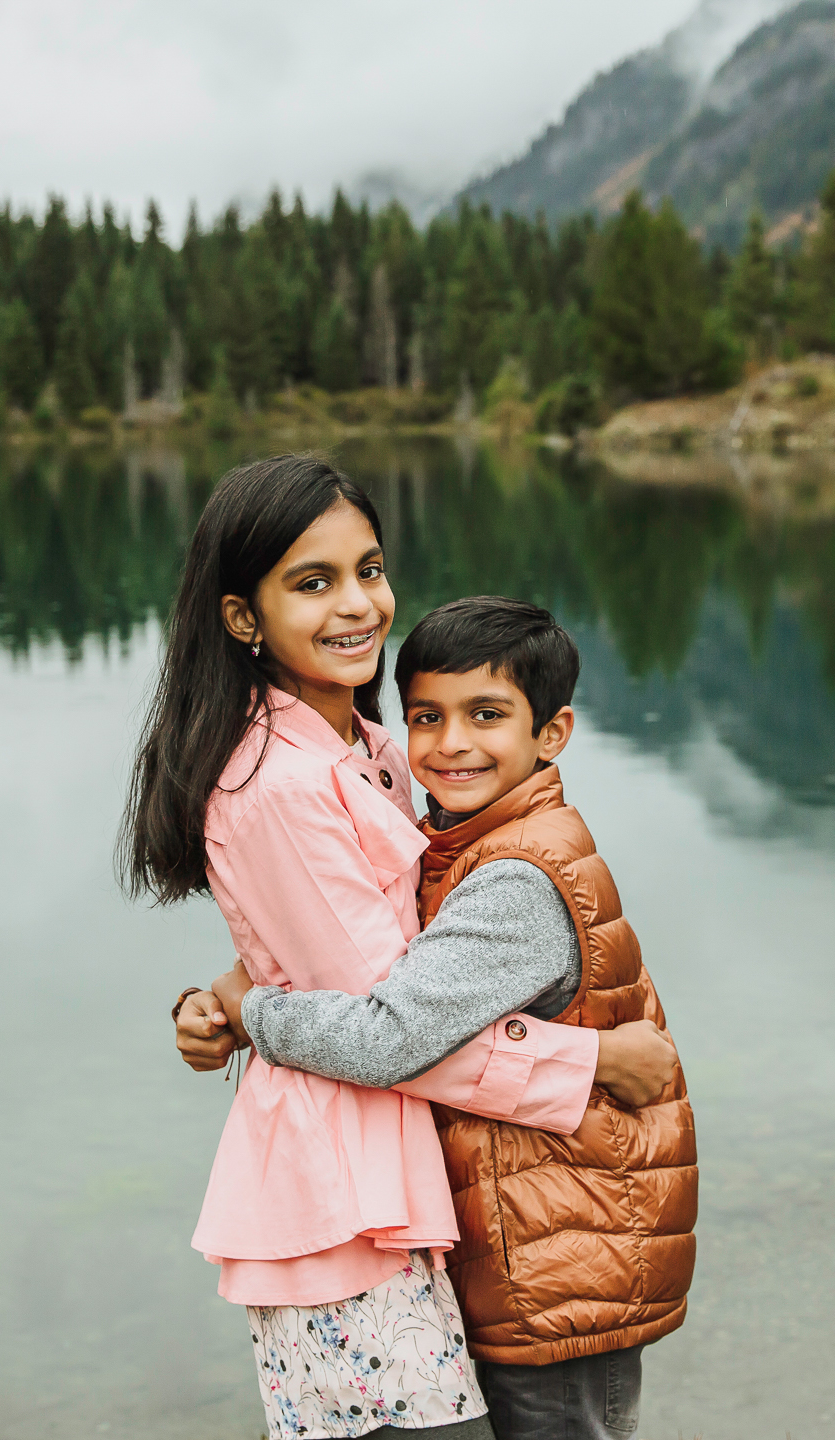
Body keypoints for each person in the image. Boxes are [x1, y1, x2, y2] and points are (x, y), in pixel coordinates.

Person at [125, 457, 677, 1440]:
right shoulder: (275, 785)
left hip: (408, 1185)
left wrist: (238, 1000)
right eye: (313, 581)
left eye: (369, 570)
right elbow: (390, 1029)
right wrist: (588, 1065)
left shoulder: (371, 750)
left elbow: (366, 976)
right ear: (243, 619)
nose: (357, 606)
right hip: (342, 1207)